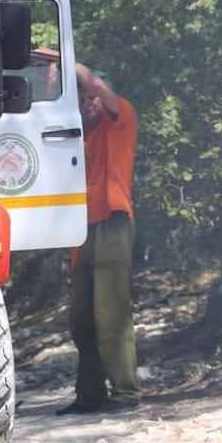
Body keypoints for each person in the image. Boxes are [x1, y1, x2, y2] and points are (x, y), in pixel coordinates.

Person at [57, 63, 140, 415]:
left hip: (113, 222)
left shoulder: (120, 121)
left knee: (111, 312)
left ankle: (125, 393)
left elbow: (100, 89)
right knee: (81, 318)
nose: (89, 102)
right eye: (82, 98)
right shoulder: (76, 135)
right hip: (82, 230)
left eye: (93, 96)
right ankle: (90, 395)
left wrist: (66, 61)